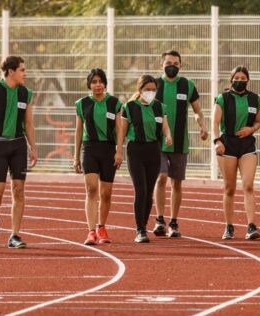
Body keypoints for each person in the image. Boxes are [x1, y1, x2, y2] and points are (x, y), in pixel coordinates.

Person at [0, 56, 37, 248]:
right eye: (22, 70)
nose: (25, 73)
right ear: (10, 71)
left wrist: (33, 148)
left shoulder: (25, 93)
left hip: (19, 145)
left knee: (18, 189)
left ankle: (15, 235)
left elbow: (28, 123)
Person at [153, 50, 208, 238]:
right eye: (168, 62)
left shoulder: (187, 85)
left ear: (180, 66)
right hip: (157, 142)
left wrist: (202, 125)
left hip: (180, 142)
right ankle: (159, 219)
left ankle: (173, 222)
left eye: (176, 63)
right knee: (161, 177)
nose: (172, 66)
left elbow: (197, 110)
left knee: (177, 183)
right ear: (161, 65)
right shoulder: (153, 85)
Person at [118, 75, 172, 243]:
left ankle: (145, 225)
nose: (150, 93)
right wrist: (118, 151)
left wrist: (168, 136)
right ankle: (140, 229)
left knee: (149, 192)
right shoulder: (129, 107)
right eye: (147, 90)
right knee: (140, 190)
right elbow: (122, 132)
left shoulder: (159, 107)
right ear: (139, 90)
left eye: (153, 90)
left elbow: (165, 126)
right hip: (136, 150)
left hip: (154, 150)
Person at [212, 65, 260, 240]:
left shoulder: (256, 99)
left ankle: (251, 226)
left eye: (243, 78)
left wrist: (251, 129)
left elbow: (258, 122)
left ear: (248, 80)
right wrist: (217, 141)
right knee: (230, 188)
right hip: (228, 145)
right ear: (231, 79)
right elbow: (215, 123)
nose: (240, 81)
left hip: (247, 144)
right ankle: (229, 226)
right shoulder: (223, 98)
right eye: (237, 78)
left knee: (248, 185)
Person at [74, 68, 123, 245]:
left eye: (100, 81)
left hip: (108, 149)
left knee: (106, 193)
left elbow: (119, 129)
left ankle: (102, 227)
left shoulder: (114, 103)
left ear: (105, 83)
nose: (97, 85)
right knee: (91, 189)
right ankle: (91, 231)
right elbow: (79, 130)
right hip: (90, 148)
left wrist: (119, 151)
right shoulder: (82, 103)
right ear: (89, 84)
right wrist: (76, 157)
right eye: (94, 82)